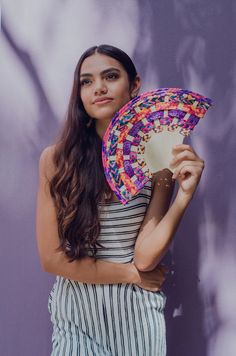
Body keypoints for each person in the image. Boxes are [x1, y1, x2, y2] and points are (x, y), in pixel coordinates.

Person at [36, 44, 205, 356]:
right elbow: (52, 259)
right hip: (76, 315)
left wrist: (184, 195)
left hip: (137, 316)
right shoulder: (56, 160)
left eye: (110, 76)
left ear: (134, 84)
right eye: (86, 81)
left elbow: (144, 257)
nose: (98, 88)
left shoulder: (158, 158)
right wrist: (129, 274)